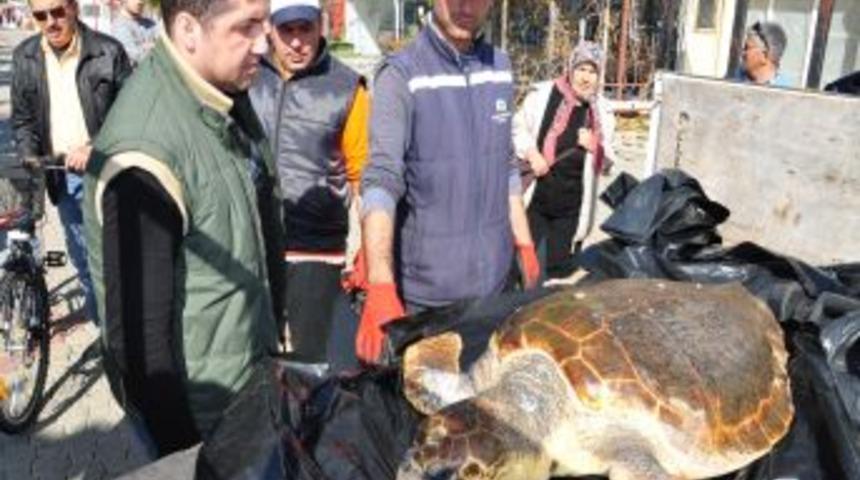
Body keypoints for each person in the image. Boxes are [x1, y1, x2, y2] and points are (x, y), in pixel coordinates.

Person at [81, 0, 286, 459]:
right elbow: (142, 352)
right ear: (190, 30)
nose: (264, 41)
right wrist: (190, 458)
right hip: (204, 420)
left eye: (265, 21)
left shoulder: (220, 90)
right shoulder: (145, 154)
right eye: (247, 26)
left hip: (247, 385)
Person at [357, 0, 539, 364]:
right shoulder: (402, 74)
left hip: (495, 288)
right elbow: (381, 179)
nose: (465, 6)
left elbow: (504, 166)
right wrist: (379, 282)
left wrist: (523, 242)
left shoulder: (499, 67)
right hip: (429, 299)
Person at [249, 0, 368, 364]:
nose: (298, 42)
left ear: (321, 27)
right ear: (270, 28)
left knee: (309, 361)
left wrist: (366, 252)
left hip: (316, 250)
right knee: (257, 357)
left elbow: (364, 174)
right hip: (254, 243)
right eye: (288, 30)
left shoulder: (347, 88)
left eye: (306, 29)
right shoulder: (247, 76)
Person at [11, 0, 131, 324]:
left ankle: (123, 336)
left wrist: (96, 146)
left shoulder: (109, 51)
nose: (50, 22)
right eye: (40, 15)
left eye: (58, 11)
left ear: (74, 8)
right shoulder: (24, 56)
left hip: (107, 174)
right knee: (82, 262)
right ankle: (106, 334)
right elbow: (22, 120)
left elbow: (133, 118)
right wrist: (28, 155)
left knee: (114, 263)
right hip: (60, 175)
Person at [512, 40, 616, 281]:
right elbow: (517, 128)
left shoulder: (603, 111)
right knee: (523, 264)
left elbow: (609, 162)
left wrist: (595, 146)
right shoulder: (543, 95)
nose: (585, 78)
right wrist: (532, 153)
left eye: (592, 71)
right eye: (581, 69)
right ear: (570, 68)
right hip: (535, 198)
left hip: (571, 207)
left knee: (557, 268)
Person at [735, 21, 789, 87]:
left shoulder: (786, 91)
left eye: (747, 48)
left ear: (765, 55)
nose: (743, 53)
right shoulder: (733, 80)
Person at [110, 0, 158, 66]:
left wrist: (145, 47)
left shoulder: (151, 24)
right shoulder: (119, 27)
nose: (140, 2)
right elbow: (135, 58)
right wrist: (153, 47)